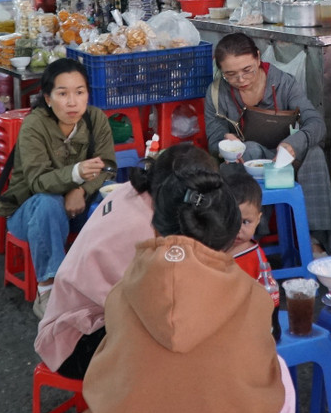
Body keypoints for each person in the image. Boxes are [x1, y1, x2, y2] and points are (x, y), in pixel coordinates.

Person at [65, 166, 300, 413]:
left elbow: (105, 388)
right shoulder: (254, 298)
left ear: (155, 227)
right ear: (229, 229)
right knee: (280, 375)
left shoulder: (121, 297)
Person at [36, 143, 215, 380]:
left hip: (71, 320)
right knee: (183, 348)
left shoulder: (131, 191)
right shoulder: (145, 231)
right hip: (76, 343)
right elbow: (154, 309)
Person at [0, 58, 116, 318]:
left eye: (79, 92)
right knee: (48, 202)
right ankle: (49, 289)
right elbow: (38, 181)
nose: (72, 102)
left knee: (115, 197)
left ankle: (109, 280)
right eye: (62, 94)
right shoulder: (35, 125)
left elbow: (106, 167)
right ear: (48, 98)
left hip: (78, 205)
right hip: (29, 213)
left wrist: (80, 189)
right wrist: (76, 173)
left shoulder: (96, 119)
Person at [205, 33, 331, 256]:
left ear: (258, 58)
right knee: (252, 149)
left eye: (247, 70)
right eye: (231, 74)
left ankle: (313, 240)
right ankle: (249, 233)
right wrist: (224, 143)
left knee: (313, 153)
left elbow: (316, 123)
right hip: (244, 164)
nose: (241, 79)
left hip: (284, 161)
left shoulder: (283, 83)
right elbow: (213, 140)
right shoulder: (217, 94)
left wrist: (295, 143)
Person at [222, 165, 277, 302]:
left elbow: (266, 294)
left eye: (246, 222)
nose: (237, 229)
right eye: (230, 221)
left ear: (258, 219)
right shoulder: (210, 248)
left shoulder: (256, 257)